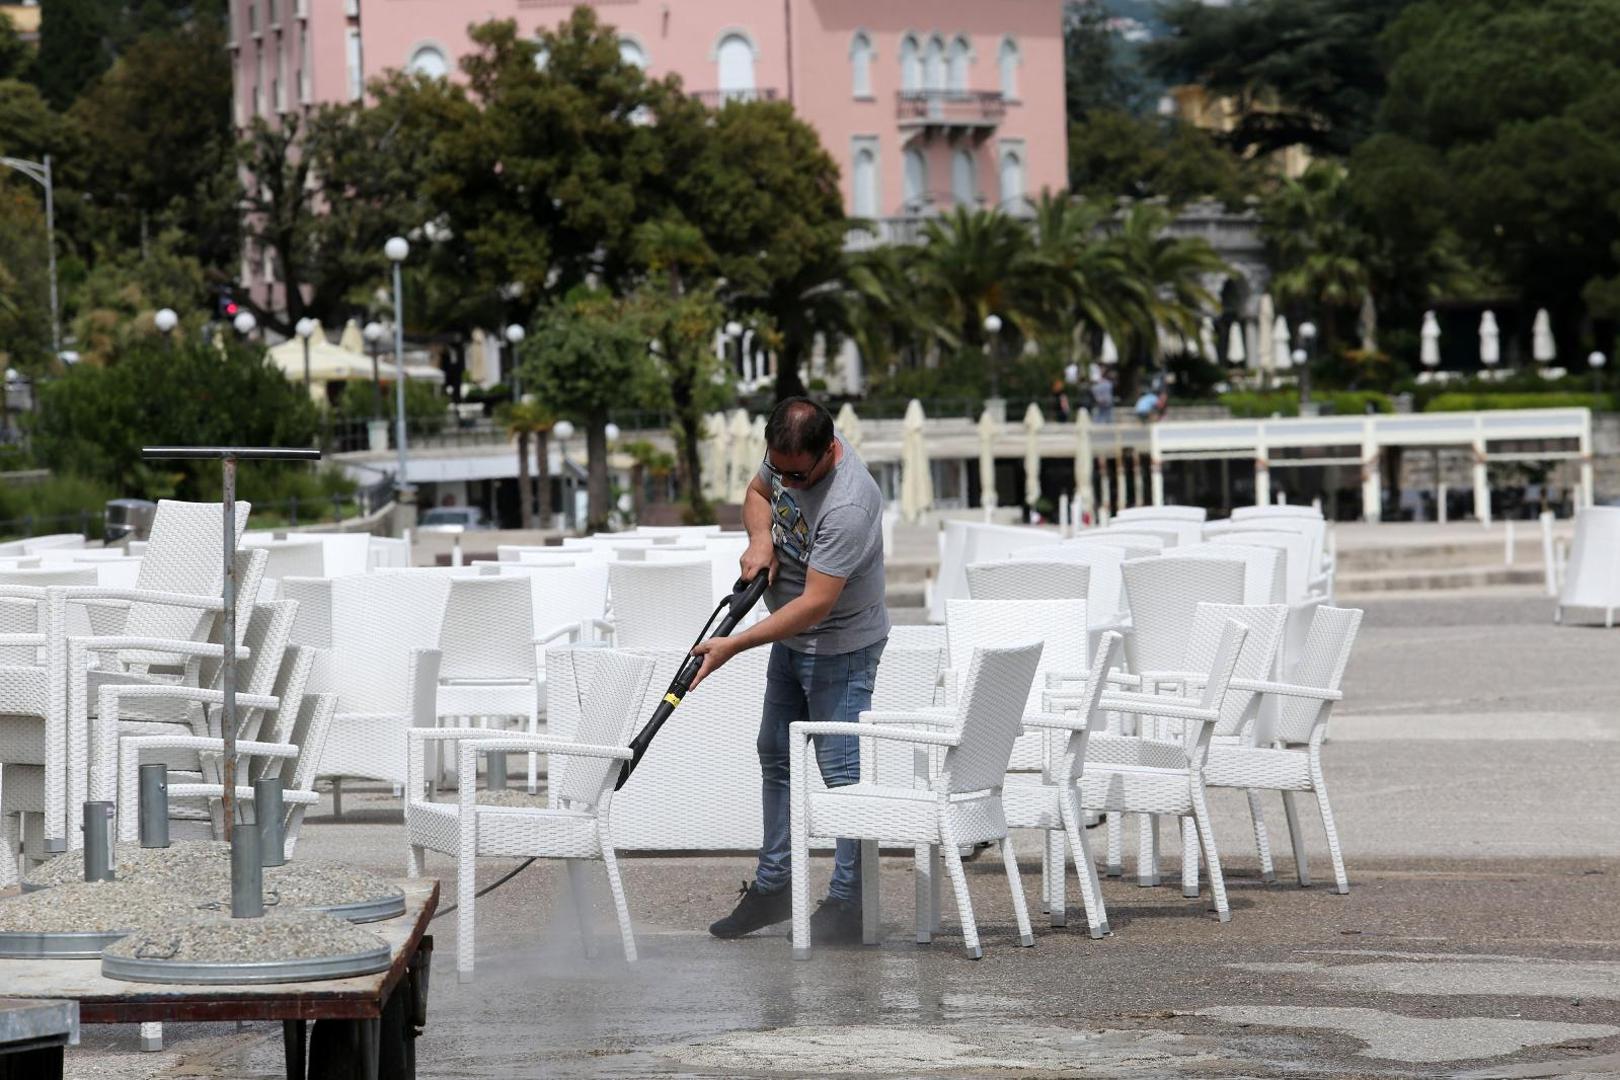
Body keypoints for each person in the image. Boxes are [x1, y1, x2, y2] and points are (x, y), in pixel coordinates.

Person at [695, 397, 889, 945]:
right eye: (779, 468)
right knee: (775, 754)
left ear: (829, 451)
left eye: (798, 475)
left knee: (843, 777)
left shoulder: (850, 503)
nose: (787, 482)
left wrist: (734, 644)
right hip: (791, 640)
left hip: (839, 646)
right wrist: (760, 539)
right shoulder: (786, 460)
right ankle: (774, 886)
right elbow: (758, 493)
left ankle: (850, 904)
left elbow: (815, 603)